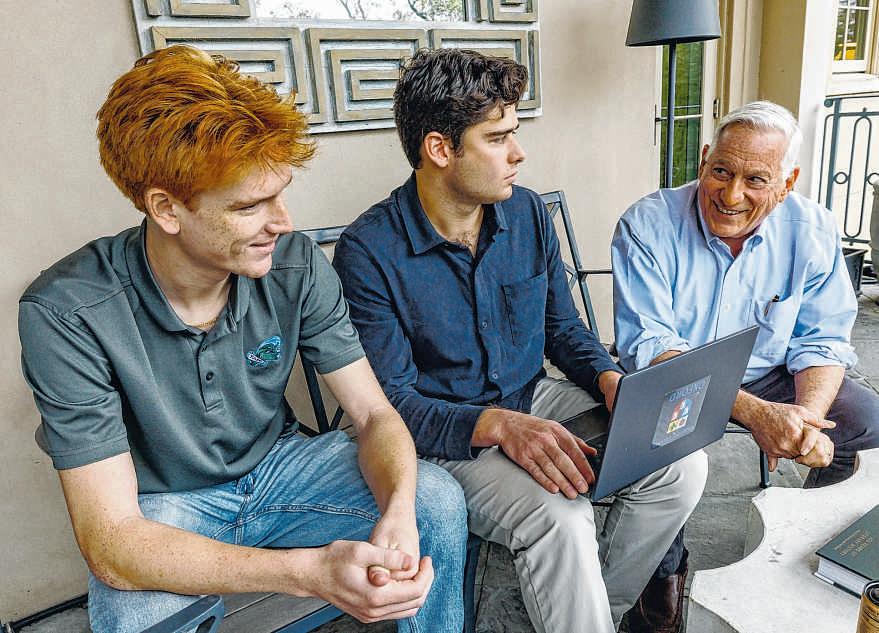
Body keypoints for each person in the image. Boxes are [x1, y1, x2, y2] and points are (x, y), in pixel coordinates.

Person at [17, 45, 467, 633]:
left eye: (280, 193)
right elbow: (113, 540)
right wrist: (308, 572)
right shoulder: (67, 310)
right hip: (162, 504)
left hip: (280, 466)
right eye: (251, 205)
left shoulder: (294, 264)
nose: (283, 221)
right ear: (166, 209)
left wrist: (399, 511)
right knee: (137, 618)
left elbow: (374, 415)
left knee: (434, 499)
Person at [332, 48, 708, 633]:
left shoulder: (528, 213)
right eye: (498, 137)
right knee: (560, 517)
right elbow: (392, 405)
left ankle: (593, 615)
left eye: (515, 132)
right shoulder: (368, 252)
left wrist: (610, 379)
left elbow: (562, 329)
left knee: (679, 463)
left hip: (533, 396)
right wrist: (498, 425)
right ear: (440, 149)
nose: (518, 152)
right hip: (443, 436)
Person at [613, 100, 879, 491]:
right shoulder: (648, 224)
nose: (731, 195)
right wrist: (758, 414)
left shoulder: (812, 228)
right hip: (674, 379)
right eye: (721, 171)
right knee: (662, 467)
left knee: (868, 426)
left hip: (768, 374)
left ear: (787, 184)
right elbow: (651, 346)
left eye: (755, 180)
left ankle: (806, 523)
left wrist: (804, 423)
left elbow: (822, 339)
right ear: (704, 162)